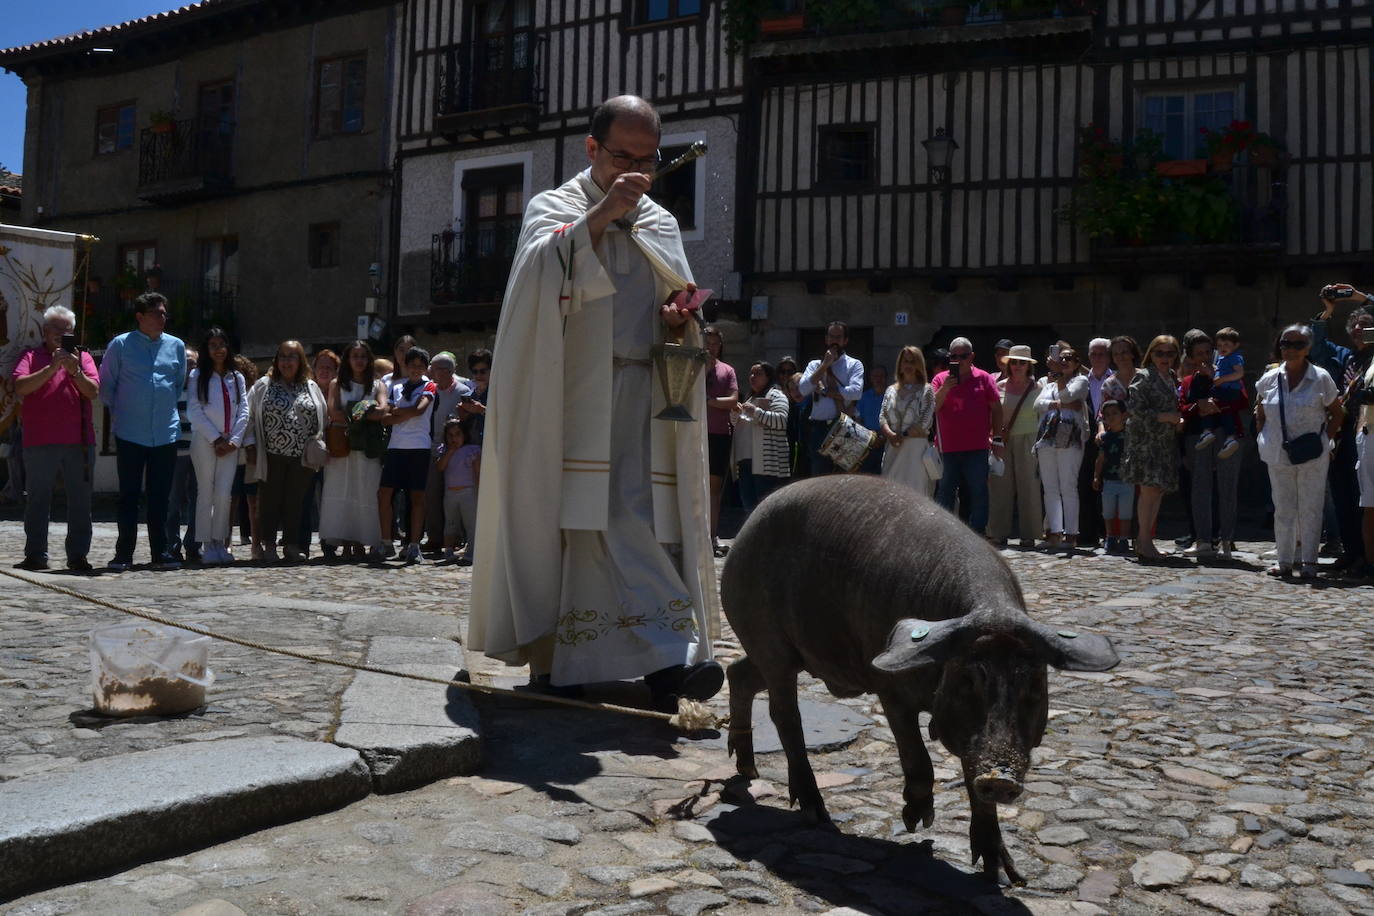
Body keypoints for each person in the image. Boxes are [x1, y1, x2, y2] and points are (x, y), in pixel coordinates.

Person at [470, 95, 722, 709]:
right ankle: (569, 657)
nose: (636, 171)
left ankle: (661, 660)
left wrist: (676, 319)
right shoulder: (554, 208)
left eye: (647, 158)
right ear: (591, 149)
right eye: (621, 157)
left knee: (642, 518)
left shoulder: (659, 222)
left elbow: (682, 311)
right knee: (577, 521)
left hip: (640, 397)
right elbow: (535, 280)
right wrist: (602, 215)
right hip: (566, 399)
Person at [99, 291, 187, 571]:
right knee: (128, 496)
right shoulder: (120, 345)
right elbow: (106, 387)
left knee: (161, 496)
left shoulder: (176, 346)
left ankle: (160, 553)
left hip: (165, 433)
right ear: (140, 316)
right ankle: (123, 554)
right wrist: (126, 412)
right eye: (156, 313)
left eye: (164, 313)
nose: (163, 317)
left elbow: (176, 385)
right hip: (130, 433)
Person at [11, 305, 100, 571]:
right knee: (37, 498)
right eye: (57, 329)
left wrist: (74, 371)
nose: (62, 334)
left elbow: (93, 392)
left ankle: (78, 555)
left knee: (81, 500)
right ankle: (36, 554)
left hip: (80, 441)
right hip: (40, 440)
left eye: (67, 330)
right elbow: (21, 387)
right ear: (45, 331)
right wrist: (52, 367)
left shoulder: (82, 358)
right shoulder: (30, 355)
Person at [1255, 324, 1344, 578]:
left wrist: (1324, 441)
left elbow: (1337, 413)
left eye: (1297, 345)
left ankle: (1309, 563)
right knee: (1283, 507)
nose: (1290, 350)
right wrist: (1264, 435)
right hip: (1278, 453)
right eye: (1286, 344)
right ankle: (1284, 561)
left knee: (1311, 506)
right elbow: (1260, 411)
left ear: (1307, 348)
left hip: (1312, 455)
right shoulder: (1270, 378)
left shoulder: (1321, 377)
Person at [245, 340, 327, 563]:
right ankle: (269, 545)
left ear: (300, 361)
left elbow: (322, 415)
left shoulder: (310, 386)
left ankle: (291, 545)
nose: (286, 361)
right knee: (269, 501)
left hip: (302, 456)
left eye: (292, 357)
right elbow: (249, 416)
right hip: (271, 453)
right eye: (282, 356)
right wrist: (250, 444)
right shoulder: (263, 385)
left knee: (295, 502)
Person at [1315, 285, 1374, 573]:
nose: (1360, 331)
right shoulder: (1345, 357)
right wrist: (1328, 311)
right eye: (1356, 326)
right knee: (1342, 495)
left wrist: (1358, 297)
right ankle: (1351, 552)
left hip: (1366, 431)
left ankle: (1367, 554)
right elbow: (1318, 345)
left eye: (1367, 326)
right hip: (1342, 432)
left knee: (1364, 497)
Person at [1179, 331, 1245, 559]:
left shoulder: (1227, 373)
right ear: (1191, 357)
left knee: (1228, 487)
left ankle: (1227, 540)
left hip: (1226, 434)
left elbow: (1243, 399)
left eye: (1208, 351)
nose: (1205, 356)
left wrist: (1218, 402)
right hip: (1198, 435)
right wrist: (1199, 405)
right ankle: (1203, 540)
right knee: (1200, 488)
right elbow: (1183, 408)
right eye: (1199, 353)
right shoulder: (1188, 381)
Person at [320, 340, 387, 560]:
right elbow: (334, 412)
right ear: (348, 360)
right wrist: (366, 410)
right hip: (343, 446)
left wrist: (355, 413)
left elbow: (383, 410)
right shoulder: (336, 384)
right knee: (342, 490)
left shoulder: (377, 384)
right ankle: (342, 540)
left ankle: (362, 540)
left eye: (363, 356)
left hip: (367, 446)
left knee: (366, 490)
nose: (359, 360)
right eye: (355, 356)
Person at [186, 329, 248, 565]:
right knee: (206, 492)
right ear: (206, 349)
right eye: (212, 345)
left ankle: (221, 541)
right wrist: (215, 438)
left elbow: (244, 410)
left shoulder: (237, 377)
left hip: (231, 443)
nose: (218, 349)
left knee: (224, 494)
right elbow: (194, 409)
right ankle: (206, 543)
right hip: (205, 441)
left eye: (222, 344)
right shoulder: (198, 375)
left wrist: (234, 440)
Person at [931, 337, 1004, 536]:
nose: (958, 360)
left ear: (971, 356)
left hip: (977, 447)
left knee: (978, 492)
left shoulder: (984, 378)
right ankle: (942, 534)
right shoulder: (940, 379)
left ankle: (978, 533)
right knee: (945, 492)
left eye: (963, 356)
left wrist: (997, 438)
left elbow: (997, 409)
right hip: (947, 448)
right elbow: (932, 407)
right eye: (953, 356)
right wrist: (946, 387)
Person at [1122, 335, 1182, 561]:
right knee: (1148, 492)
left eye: (1170, 353)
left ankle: (1146, 540)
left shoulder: (1172, 377)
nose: (1165, 358)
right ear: (1151, 354)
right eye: (1160, 353)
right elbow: (1135, 411)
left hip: (1164, 443)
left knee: (1157, 491)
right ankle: (1143, 542)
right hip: (1145, 444)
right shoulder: (1144, 376)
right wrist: (1165, 417)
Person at [379, 346, 437, 563]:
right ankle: (386, 543)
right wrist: (403, 413)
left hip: (418, 447)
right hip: (396, 447)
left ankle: (414, 545)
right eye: (412, 365)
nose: (415, 369)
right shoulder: (396, 387)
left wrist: (398, 413)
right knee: (385, 493)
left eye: (420, 366)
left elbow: (420, 410)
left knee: (417, 497)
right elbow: (385, 418)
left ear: (425, 368)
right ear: (406, 366)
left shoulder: (430, 385)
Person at [1033, 344, 1090, 549]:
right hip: (1047, 438)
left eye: (1068, 359)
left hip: (1070, 437)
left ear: (1077, 364)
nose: (1064, 361)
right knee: (1050, 488)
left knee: (1068, 486)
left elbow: (1068, 395)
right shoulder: (1050, 384)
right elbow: (1037, 405)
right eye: (1062, 358)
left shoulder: (1081, 380)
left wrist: (1058, 398)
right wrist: (1061, 404)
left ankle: (1071, 535)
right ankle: (1054, 533)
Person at [988, 345, 1042, 547]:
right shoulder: (998, 386)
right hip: (1002, 441)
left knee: (1029, 486)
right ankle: (998, 532)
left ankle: (1029, 534)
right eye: (1014, 362)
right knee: (1000, 487)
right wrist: (991, 439)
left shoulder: (1039, 389)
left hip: (1029, 440)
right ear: (1008, 365)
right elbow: (990, 416)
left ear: (1028, 366)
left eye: (1022, 362)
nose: (1018, 366)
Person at [798, 321, 865, 475]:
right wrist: (824, 366)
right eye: (831, 336)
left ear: (845, 340)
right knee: (820, 477)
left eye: (838, 337)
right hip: (819, 429)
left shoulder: (854, 365)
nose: (834, 340)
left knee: (844, 476)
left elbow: (856, 392)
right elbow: (803, 389)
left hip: (844, 427)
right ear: (826, 339)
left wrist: (827, 392)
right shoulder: (815, 365)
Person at [422, 352, 472, 554]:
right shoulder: (430, 390)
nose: (430, 372)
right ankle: (435, 537)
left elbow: (467, 422)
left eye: (433, 368)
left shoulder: (463, 391)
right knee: (432, 496)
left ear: (446, 371)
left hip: (457, 452)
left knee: (455, 495)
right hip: (433, 450)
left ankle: (455, 537)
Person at [731, 361, 791, 512]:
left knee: (765, 509)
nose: (752, 377)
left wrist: (756, 412)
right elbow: (735, 424)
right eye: (751, 373)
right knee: (748, 506)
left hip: (766, 464)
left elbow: (781, 421)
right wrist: (734, 414)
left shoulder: (777, 395)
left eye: (758, 373)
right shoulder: (749, 400)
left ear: (768, 376)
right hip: (745, 462)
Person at [879, 346, 936, 497]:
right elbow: (882, 416)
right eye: (906, 361)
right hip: (892, 447)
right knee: (890, 493)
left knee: (915, 494)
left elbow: (924, 421)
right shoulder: (890, 390)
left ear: (919, 365)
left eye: (913, 361)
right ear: (900, 364)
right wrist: (891, 435)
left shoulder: (927, 390)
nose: (909, 365)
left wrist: (902, 435)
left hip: (915, 450)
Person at [299, 349, 340, 559]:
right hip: (310, 452)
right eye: (320, 367)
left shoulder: (340, 391)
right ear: (313, 370)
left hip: (334, 454)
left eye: (329, 367)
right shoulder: (306, 390)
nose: (324, 371)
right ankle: (302, 544)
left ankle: (329, 543)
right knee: (305, 499)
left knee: (329, 499)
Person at [702, 326, 738, 557]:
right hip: (695, 433)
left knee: (714, 489)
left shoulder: (727, 370)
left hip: (718, 435)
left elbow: (733, 400)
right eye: (707, 342)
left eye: (715, 343)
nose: (711, 347)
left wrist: (708, 401)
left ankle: (711, 536)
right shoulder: (691, 366)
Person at [1078, 337, 1114, 548]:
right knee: (1086, 485)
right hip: (1087, 440)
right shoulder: (1081, 380)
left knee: (1112, 487)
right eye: (1094, 354)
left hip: (1113, 437)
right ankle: (1088, 534)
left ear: (1109, 357)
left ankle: (1111, 533)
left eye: (1102, 354)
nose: (1098, 358)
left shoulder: (1116, 379)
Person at [165, 347, 199, 563]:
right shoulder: (171, 389)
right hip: (175, 452)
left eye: (194, 363)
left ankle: (194, 545)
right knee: (173, 501)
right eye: (186, 362)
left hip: (198, 452)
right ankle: (172, 545)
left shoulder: (203, 391)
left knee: (198, 500)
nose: (190, 367)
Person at [1194, 327, 1245, 458]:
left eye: (1226, 344)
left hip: (1228, 390)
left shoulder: (1234, 358)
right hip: (1222, 389)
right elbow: (1218, 374)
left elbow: (1239, 373)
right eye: (1220, 345)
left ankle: (1209, 431)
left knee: (1211, 405)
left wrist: (1222, 379)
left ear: (1236, 345)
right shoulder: (1222, 358)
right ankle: (1227, 437)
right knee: (1223, 411)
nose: (1222, 347)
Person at [436, 418, 482, 565]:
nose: (454, 438)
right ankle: (448, 550)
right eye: (450, 435)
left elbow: (477, 471)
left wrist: (479, 489)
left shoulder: (472, 450)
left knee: (471, 523)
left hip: (468, 492)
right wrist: (449, 452)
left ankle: (472, 551)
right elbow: (440, 467)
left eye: (457, 434)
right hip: (450, 493)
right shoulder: (444, 450)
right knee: (450, 523)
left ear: (465, 435)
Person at [230, 354, 262, 559]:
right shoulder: (227, 392)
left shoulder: (254, 392)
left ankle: (256, 544)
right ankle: (226, 543)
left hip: (251, 452)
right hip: (232, 453)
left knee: (253, 501)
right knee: (230, 500)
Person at [1093, 399, 1133, 554]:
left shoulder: (1130, 435)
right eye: (1107, 415)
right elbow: (1100, 459)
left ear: (1123, 415)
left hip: (1127, 480)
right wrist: (1096, 476)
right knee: (1108, 511)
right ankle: (1110, 536)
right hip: (1109, 479)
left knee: (1125, 512)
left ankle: (1123, 538)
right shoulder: (1105, 438)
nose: (1111, 417)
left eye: (1115, 413)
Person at [776, 356, 805, 476]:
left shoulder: (800, 392)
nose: (786, 375)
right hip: (781, 440)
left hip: (798, 438)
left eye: (790, 372)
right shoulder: (775, 392)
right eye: (783, 371)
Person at [856, 364, 888, 474]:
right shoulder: (864, 397)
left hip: (886, 441)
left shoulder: (891, 396)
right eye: (875, 376)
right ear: (871, 378)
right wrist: (868, 437)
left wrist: (883, 437)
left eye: (881, 376)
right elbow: (858, 419)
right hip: (867, 442)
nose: (878, 379)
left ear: (886, 378)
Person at [458, 348, 491, 446]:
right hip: (472, 449)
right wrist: (462, 415)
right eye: (475, 371)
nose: (478, 375)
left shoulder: (499, 393)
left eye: (482, 371)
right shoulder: (469, 394)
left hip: (491, 448)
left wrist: (482, 410)